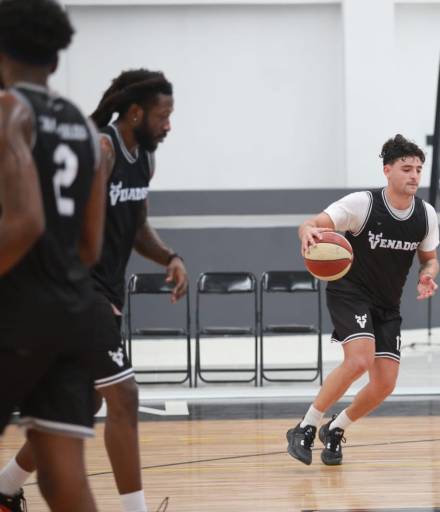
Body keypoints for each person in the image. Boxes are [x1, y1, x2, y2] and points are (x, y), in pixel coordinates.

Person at [0, 69, 188, 512]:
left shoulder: (145, 158)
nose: (168, 125)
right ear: (136, 112)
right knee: (124, 396)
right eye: (163, 116)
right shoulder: (102, 150)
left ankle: (5, 488)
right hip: (80, 291)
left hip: (102, 292)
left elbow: (137, 225)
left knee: (80, 404)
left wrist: (170, 257)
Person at [0, 0, 109, 510]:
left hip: (17, 307)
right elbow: (89, 246)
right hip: (72, 309)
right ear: (57, 59)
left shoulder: (7, 110)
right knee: (64, 479)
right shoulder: (87, 131)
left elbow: (24, 223)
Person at [286, 134, 440, 466]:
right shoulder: (363, 204)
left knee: (385, 383)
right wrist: (307, 233)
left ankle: (336, 429)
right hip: (350, 292)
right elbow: (311, 224)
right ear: (387, 171)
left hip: (387, 304)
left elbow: (430, 258)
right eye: (406, 168)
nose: (414, 176)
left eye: (418, 169)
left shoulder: (425, 215)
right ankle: (305, 426)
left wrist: (428, 273)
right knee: (358, 360)